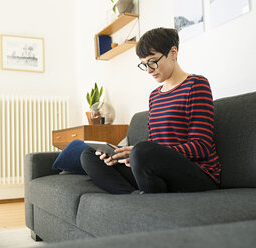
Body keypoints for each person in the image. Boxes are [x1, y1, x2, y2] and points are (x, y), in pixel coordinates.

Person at [80, 27, 221, 194]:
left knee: (142, 151)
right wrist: (125, 157)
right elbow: (154, 144)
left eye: (153, 62)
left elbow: (201, 146)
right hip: (158, 171)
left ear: (173, 53)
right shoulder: (154, 96)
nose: (148, 70)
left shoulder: (196, 85)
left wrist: (144, 154)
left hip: (198, 174)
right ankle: (133, 198)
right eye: (144, 64)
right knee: (89, 155)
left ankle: (145, 196)